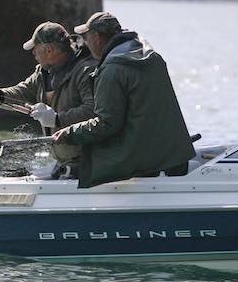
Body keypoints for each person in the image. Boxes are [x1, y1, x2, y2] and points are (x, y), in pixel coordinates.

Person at [53, 12, 196, 188]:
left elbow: (107, 123)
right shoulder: (153, 58)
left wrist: (69, 133)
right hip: (174, 157)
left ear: (97, 38)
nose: (85, 44)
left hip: (146, 163)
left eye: (86, 38)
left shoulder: (112, 70)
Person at [0, 22, 96, 179]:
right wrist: (0, 95)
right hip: (64, 164)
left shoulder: (86, 71)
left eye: (35, 48)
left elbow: (93, 111)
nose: (33, 52)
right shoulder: (43, 72)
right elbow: (23, 90)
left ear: (49, 50)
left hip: (89, 165)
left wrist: (56, 119)